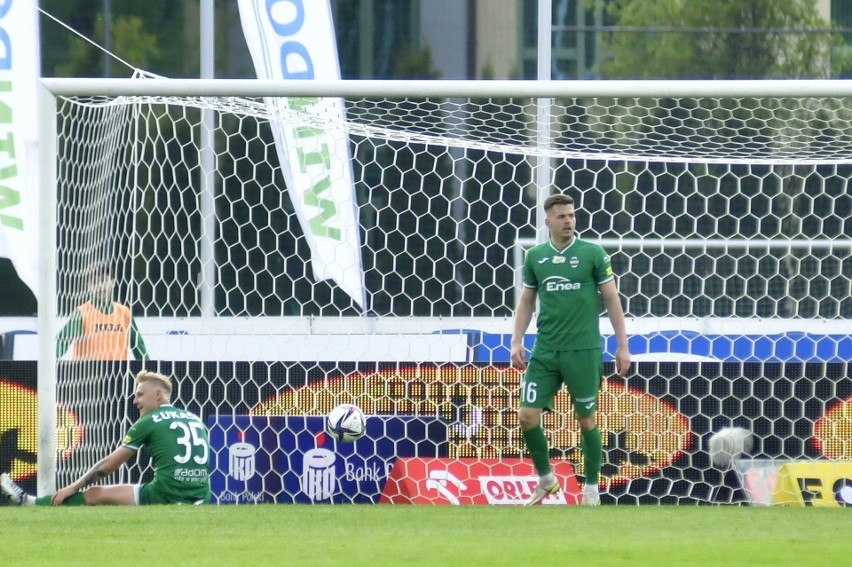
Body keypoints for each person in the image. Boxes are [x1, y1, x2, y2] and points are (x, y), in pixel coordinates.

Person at [510, 193, 630, 507]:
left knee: (586, 420)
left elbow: (612, 299)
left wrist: (623, 346)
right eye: (562, 216)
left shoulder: (592, 253)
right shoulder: (536, 256)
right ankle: (547, 479)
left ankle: (591, 490)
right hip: (546, 351)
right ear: (548, 221)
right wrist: (516, 341)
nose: (568, 221)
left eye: (572, 215)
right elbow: (526, 302)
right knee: (526, 416)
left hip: (584, 350)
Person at [1, 370, 210, 506]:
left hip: (165, 494)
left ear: (158, 395)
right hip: (201, 496)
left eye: (139, 394)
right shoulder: (194, 418)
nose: (134, 400)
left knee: (94, 493)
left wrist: (73, 487)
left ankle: (29, 502)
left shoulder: (150, 420)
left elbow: (109, 465)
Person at [56, 261, 149, 361]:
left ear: (113, 282)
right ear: (88, 286)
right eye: (94, 282)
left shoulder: (124, 313)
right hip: (88, 374)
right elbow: (62, 342)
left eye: (103, 280)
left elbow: (140, 349)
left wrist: (150, 371)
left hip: (118, 374)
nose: (100, 286)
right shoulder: (81, 313)